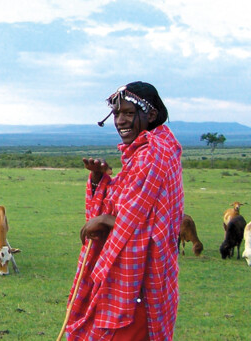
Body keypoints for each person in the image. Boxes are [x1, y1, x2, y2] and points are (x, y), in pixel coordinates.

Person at [62, 81, 184, 341]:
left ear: (150, 115)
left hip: (140, 275)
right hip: (129, 275)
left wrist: (107, 220)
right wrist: (98, 180)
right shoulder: (143, 152)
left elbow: (145, 222)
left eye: (128, 113)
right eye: (117, 113)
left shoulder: (153, 153)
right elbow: (127, 205)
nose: (120, 121)